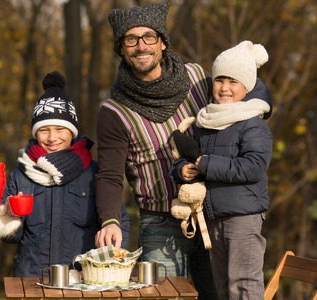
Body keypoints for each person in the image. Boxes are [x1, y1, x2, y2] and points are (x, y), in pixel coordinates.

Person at [94, 2, 271, 299]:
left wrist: (260, 110)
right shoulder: (113, 111)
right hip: (159, 222)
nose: (141, 46)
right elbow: (110, 176)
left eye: (149, 36)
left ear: (162, 43)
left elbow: (241, 87)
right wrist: (110, 220)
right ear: (121, 49)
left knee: (223, 292)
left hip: (213, 213)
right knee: (163, 296)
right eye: (131, 39)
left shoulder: (197, 78)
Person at [0, 71, 130, 277]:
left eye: (60, 129)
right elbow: (11, 237)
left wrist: (106, 260)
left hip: (81, 280)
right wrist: (9, 216)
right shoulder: (21, 175)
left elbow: (120, 221)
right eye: (44, 130)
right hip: (32, 280)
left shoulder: (93, 173)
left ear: (72, 131)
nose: (52, 138)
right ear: (35, 132)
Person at [172, 41, 272, 299]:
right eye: (219, 80)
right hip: (213, 214)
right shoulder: (207, 120)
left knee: (243, 283)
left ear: (246, 86)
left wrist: (205, 164)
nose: (225, 88)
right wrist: (182, 170)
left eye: (233, 82)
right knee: (222, 285)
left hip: (242, 215)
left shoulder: (253, 124)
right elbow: (188, 157)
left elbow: (253, 167)